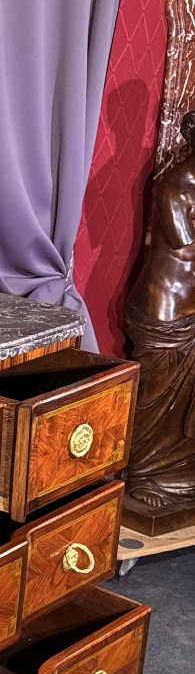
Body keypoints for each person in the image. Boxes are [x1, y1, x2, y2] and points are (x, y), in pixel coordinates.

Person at [125, 111, 195, 508]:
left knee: (183, 405)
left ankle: (179, 473)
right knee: (154, 400)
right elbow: (184, 245)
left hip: (190, 310)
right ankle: (144, 474)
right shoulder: (176, 187)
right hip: (163, 309)